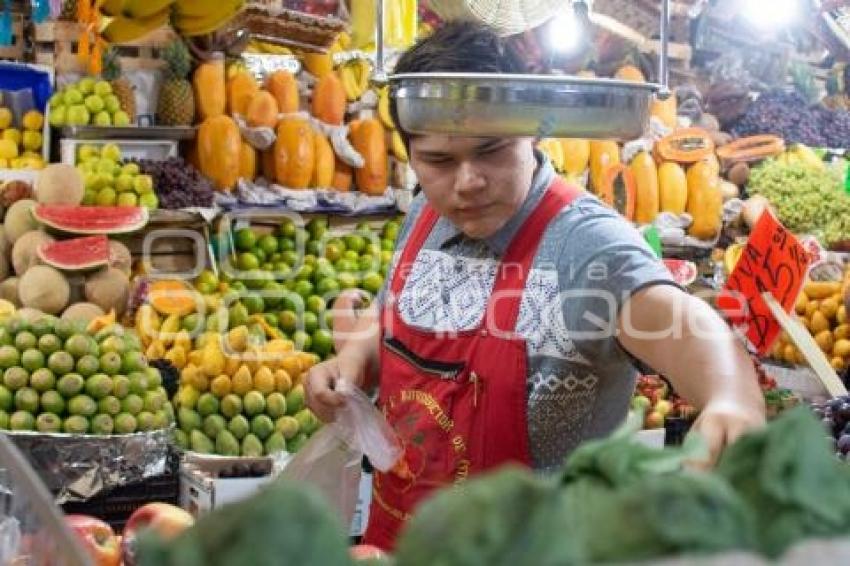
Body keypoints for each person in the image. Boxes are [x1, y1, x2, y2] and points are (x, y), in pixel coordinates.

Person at [306, 21, 765, 550]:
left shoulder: (587, 246)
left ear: (537, 131)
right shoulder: (428, 214)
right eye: (438, 160)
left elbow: (692, 330)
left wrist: (732, 398)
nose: (467, 182)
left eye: (493, 150)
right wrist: (355, 361)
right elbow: (395, 311)